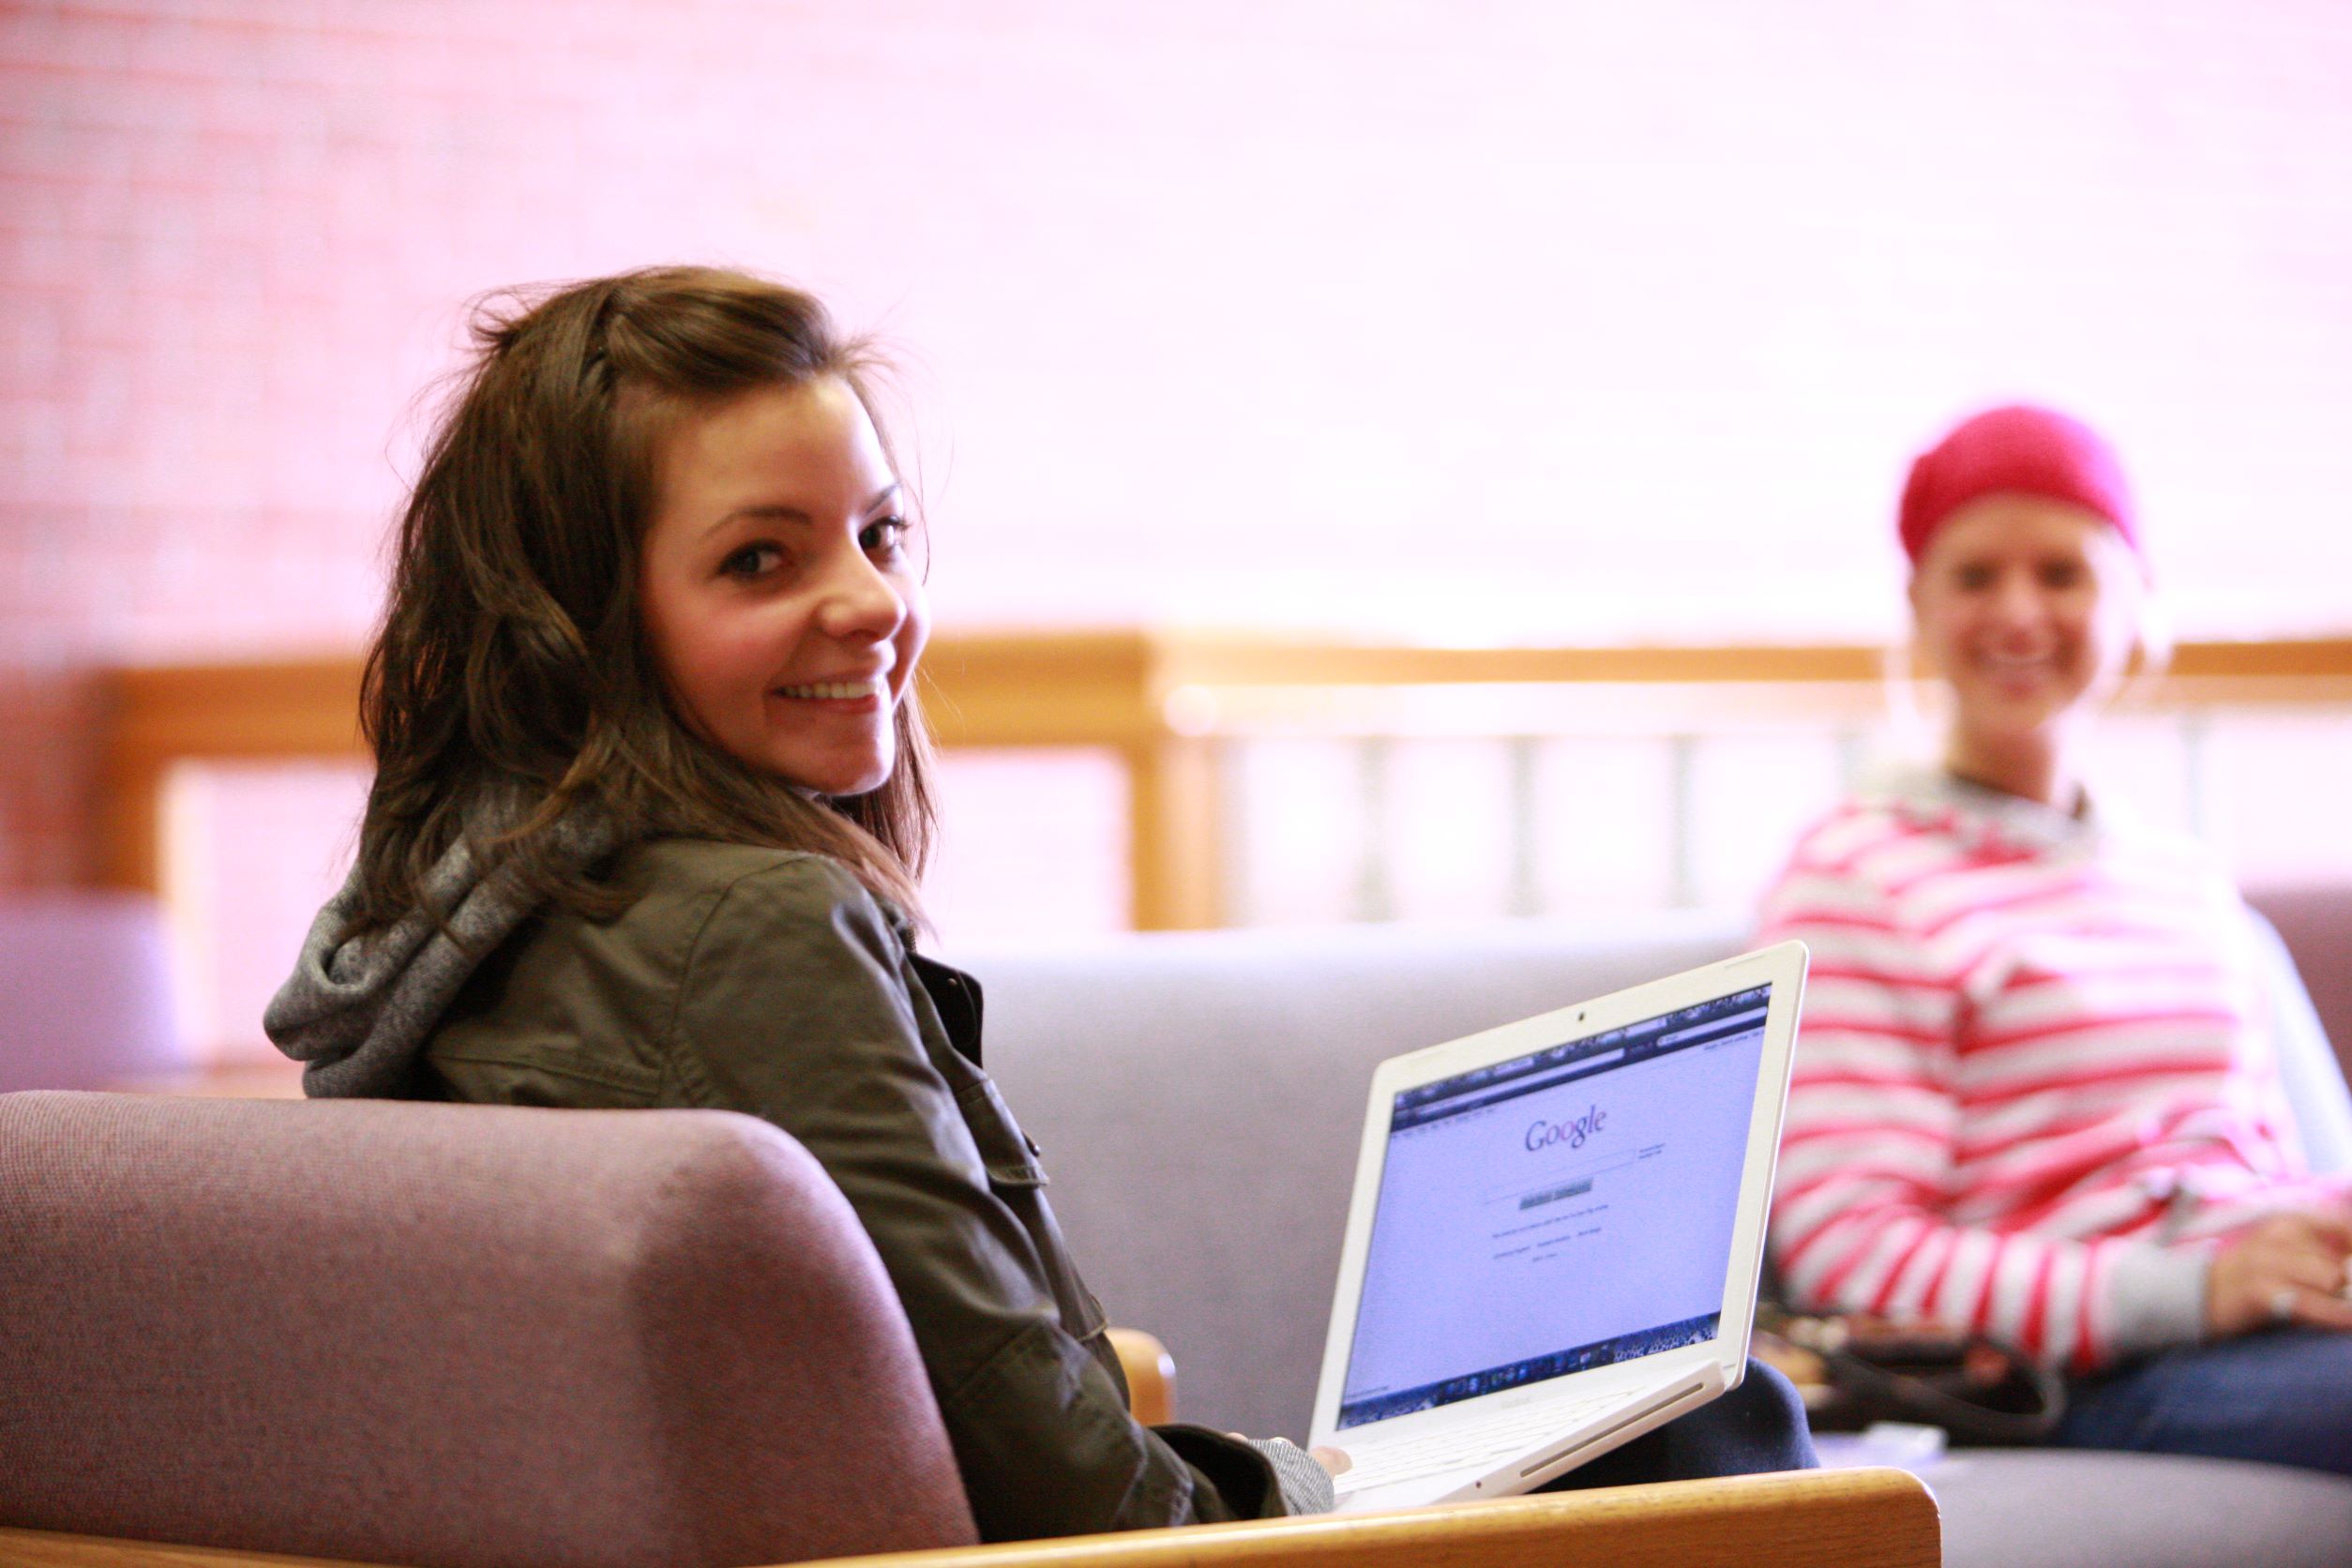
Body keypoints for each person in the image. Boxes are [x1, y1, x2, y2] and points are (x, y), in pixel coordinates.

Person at [267, 266, 1813, 1541]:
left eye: (880, 533)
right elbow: (1073, 1500)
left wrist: (1300, 1475)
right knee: (1708, 1418)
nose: (872, 603)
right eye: (758, 559)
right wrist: (1309, 1497)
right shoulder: (753, 934)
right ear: (580, 628)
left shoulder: (466, 940)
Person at [1757, 403, 2352, 1474]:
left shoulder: (2185, 882)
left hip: (2278, 1323)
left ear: (2135, 597)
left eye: (2063, 573)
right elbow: (1852, 1253)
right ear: (1919, 605)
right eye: (1976, 576)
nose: (2020, 612)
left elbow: (2263, 1169)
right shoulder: (1855, 876)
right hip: (2100, 1373)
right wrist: (2197, 1290)